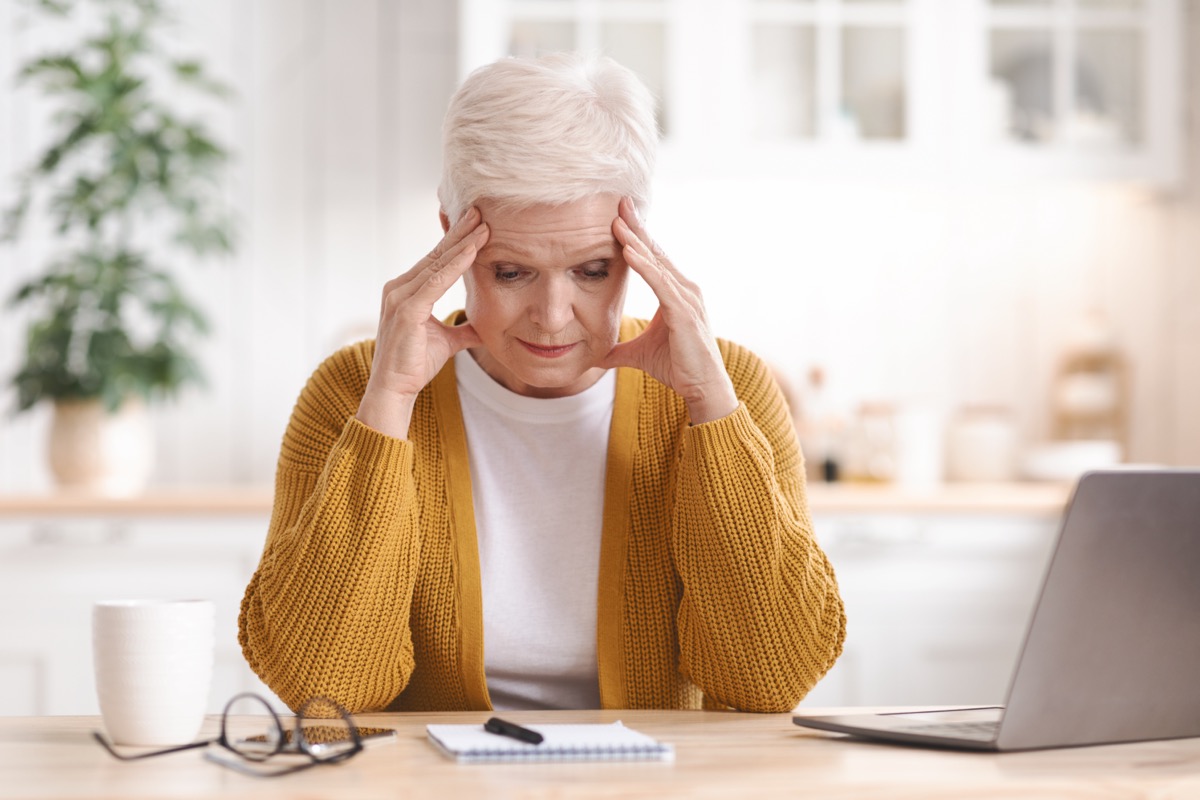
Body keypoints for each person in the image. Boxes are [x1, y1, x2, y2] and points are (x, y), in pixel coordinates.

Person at [238, 52, 845, 715]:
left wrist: (711, 408)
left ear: (637, 247)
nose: (554, 318)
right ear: (450, 241)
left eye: (590, 270)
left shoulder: (732, 391)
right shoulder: (352, 391)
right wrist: (388, 404)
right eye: (510, 272)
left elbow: (769, 679)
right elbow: (326, 688)